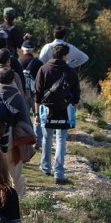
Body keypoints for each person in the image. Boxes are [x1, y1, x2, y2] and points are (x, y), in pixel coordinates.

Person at [35, 44, 81, 184]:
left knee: (47, 138)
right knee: (61, 140)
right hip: (64, 111)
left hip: (47, 110)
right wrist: (72, 109)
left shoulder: (43, 69)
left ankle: (45, 167)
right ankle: (59, 172)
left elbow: (37, 94)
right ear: (65, 55)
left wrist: (37, 113)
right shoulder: (70, 71)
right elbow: (76, 95)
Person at [0, 67, 34, 196]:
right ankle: (19, 203)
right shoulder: (17, 97)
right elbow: (25, 121)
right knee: (15, 174)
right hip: (11, 140)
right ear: (12, 81)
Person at [0, 7, 31, 91]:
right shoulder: (13, 29)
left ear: (4, 16)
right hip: (9, 58)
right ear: (13, 17)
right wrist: (26, 39)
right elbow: (20, 44)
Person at [19, 39, 43, 150]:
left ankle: (25, 140)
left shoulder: (18, 61)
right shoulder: (38, 63)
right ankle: (37, 142)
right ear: (33, 50)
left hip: (23, 93)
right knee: (37, 116)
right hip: (36, 94)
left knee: (24, 117)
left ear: (22, 49)